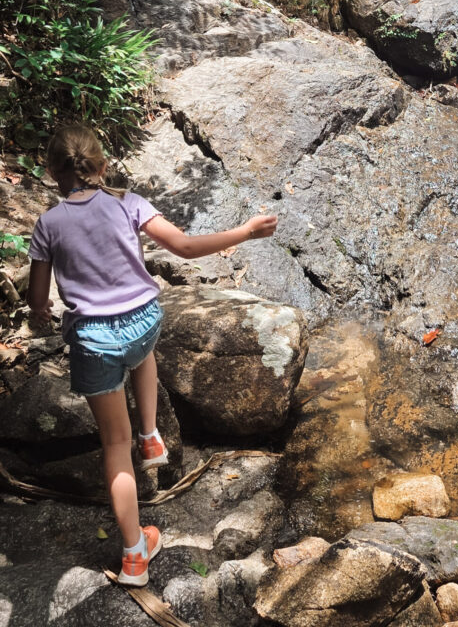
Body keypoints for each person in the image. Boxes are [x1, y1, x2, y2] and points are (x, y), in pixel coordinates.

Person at [27, 123, 277, 586]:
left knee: (113, 446)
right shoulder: (128, 204)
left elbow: (38, 298)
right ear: (103, 167)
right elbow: (183, 247)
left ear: (50, 171)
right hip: (144, 323)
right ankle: (152, 434)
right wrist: (244, 231)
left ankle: (135, 556)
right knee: (142, 354)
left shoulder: (48, 225)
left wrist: (41, 313)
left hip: (95, 341)